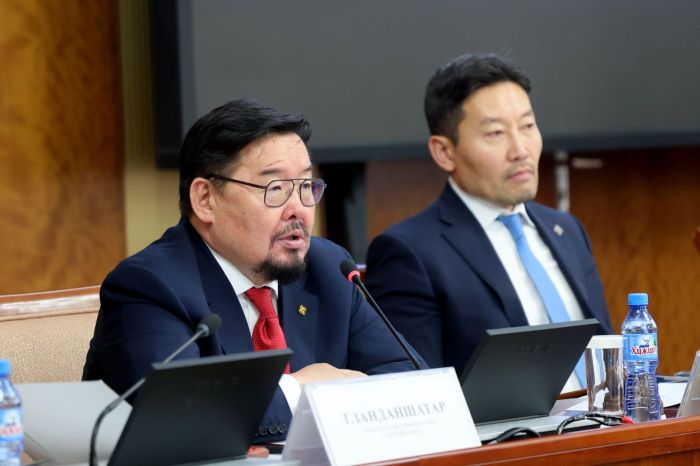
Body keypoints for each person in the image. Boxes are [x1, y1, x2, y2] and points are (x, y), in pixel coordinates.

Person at [83, 98, 422, 442]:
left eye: (306, 186)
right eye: (275, 189)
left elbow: (410, 380)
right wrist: (301, 390)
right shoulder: (150, 286)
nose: (299, 210)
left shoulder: (330, 268)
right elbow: (182, 417)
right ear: (205, 200)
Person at [365, 53, 612, 392]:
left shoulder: (566, 230)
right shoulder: (410, 252)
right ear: (444, 152)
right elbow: (419, 392)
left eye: (527, 127)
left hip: (606, 417)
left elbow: (608, 349)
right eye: (495, 133)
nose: (520, 150)